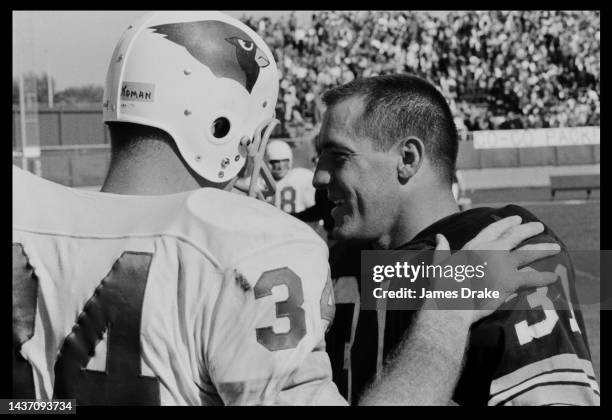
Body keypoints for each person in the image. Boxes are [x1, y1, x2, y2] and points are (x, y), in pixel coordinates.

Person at [12, 12, 560, 406]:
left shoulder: (26, 219)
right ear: (222, 127)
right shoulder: (254, 246)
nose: (318, 175)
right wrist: (447, 314)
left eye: (336, 156)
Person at [314, 74, 599, 405]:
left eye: (339, 155)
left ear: (408, 159)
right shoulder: (335, 258)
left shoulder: (500, 244)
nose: (318, 175)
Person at [265, 140, 316, 214]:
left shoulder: (301, 178)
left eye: (284, 161)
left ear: (290, 161)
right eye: (275, 162)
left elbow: (315, 209)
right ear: (268, 162)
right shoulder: (260, 181)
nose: (280, 166)